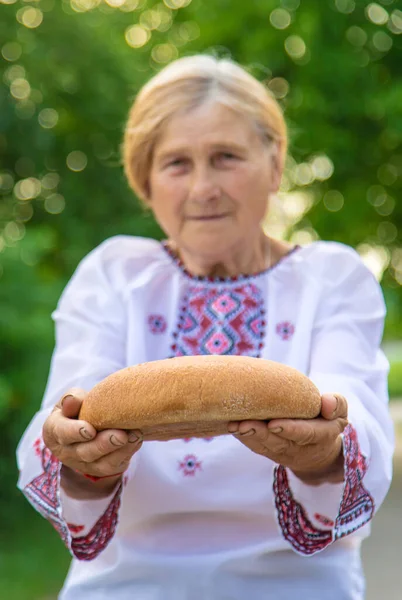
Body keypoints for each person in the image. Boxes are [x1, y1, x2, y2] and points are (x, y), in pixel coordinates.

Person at [17, 54, 394, 600]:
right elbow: (67, 409)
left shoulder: (332, 279)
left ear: (275, 162)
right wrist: (80, 456)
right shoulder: (114, 276)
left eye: (225, 157)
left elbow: (356, 411)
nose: (203, 188)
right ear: (143, 181)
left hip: (298, 585)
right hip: (126, 585)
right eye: (176, 164)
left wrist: (318, 453)